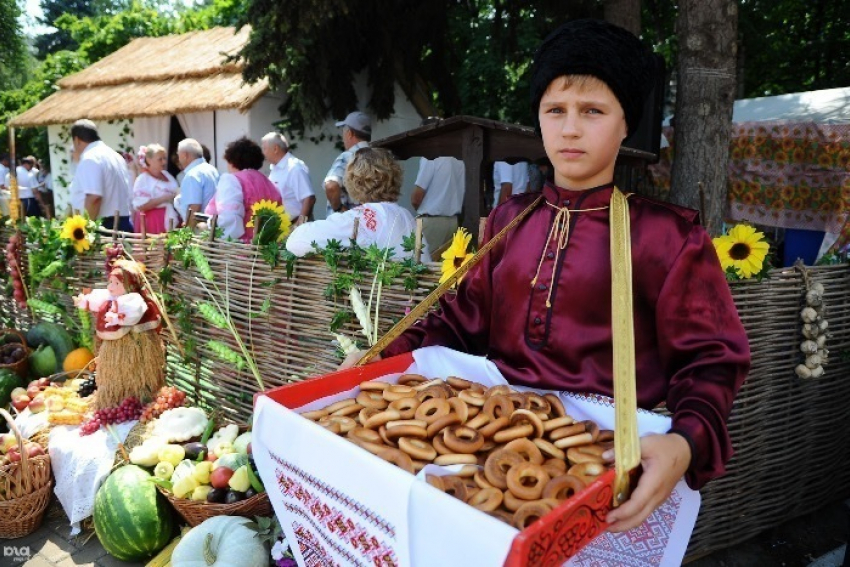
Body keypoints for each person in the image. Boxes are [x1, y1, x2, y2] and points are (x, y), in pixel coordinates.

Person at [343, 19, 750, 533]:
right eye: (555, 110)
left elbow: (711, 359)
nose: (571, 128)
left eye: (593, 112)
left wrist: (686, 440)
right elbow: (454, 318)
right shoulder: (510, 220)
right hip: (488, 452)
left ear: (626, 125)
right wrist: (385, 351)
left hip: (604, 466)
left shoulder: (667, 237)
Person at [288, 147, 429, 260]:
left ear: (354, 182)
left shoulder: (361, 218)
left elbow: (295, 242)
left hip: (384, 294)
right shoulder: (406, 215)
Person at [74, 258, 164, 409]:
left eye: (116, 283)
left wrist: (118, 317)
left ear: (129, 285)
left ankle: (142, 395)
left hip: (135, 341)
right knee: (113, 372)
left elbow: (133, 314)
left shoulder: (134, 300)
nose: (110, 287)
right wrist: (84, 302)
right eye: (110, 282)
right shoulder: (109, 298)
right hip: (113, 345)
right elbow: (96, 299)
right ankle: (113, 396)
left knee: (137, 370)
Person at [204, 136, 283, 243]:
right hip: (267, 249)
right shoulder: (270, 184)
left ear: (232, 161)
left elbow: (229, 220)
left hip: (240, 251)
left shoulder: (232, 180)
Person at [70, 119, 133, 231]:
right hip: (122, 222)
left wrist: (85, 230)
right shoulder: (114, 155)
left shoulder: (90, 157)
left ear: (77, 140)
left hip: (104, 226)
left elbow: (94, 198)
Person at [411, 154, 465, 254]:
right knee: (442, 265)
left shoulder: (431, 157)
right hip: (453, 221)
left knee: (419, 263)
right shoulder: (460, 159)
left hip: (431, 221)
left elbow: (416, 198)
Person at [261, 132, 315, 226]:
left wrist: (300, 225)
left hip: (296, 227)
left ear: (275, 149)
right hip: (283, 228)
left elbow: (309, 198)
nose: (263, 153)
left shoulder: (294, 168)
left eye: (265, 148)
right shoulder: (276, 168)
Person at [324, 111, 371, 216]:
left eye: (344, 132)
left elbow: (331, 186)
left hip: (346, 226)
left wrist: (339, 208)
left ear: (350, 133)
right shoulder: (377, 157)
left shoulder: (348, 156)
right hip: (371, 223)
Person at [131, 144, 179, 234]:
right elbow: (140, 206)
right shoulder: (143, 179)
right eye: (160, 159)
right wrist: (163, 199)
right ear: (149, 160)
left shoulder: (167, 175)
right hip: (152, 221)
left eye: (165, 158)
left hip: (170, 217)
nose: (164, 162)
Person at [175, 138, 219, 223]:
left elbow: (194, 209)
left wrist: (187, 233)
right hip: (214, 226)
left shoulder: (192, 175)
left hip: (201, 229)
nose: (178, 159)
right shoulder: (212, 169)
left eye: (178, 155)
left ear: (185, 155)